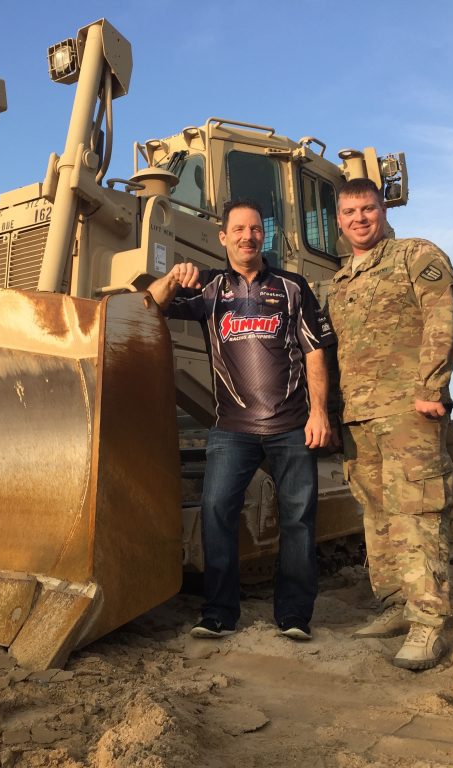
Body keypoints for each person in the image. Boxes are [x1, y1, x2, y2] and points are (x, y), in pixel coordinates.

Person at [148, 199, 334, 642]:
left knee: (299, 520)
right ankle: (219, 614)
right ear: (223, 237)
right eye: (239, 229)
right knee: (216, 514)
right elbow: (152, 304)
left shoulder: (292, 287)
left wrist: (320, 412)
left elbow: (314, 352)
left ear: (262, 236)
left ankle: (294, 616)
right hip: (232, 428)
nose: (248, 236)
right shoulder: (210, 288)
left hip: (292, 426)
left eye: (255, 229)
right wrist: (172, 277)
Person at [325, 177, 453, 671]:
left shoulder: (413, 255)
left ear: (382, 211)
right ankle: (395, 605)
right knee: (377, 514)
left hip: (409, 410)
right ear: (339, 220)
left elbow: (444, 317)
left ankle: (428, 622)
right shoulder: (340, 283)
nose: (359, 219)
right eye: (350, 212)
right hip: (359, 416)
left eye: (367, 209)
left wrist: (431, 387)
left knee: (418, 510)